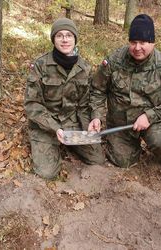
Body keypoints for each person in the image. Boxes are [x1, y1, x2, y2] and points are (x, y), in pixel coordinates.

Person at [88, 14, 161, 181]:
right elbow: (97, 90)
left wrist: (149, 116)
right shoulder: (115, 60)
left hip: (153, 122)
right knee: (122, 161)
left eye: (143, 42)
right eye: (133, 42)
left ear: (153, 42)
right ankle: (131, 146)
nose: (137, 47)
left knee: (160, 141)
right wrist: (96, 116)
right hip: (121, 124)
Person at [24, 18, 104, 179]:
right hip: (47, 126)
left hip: (71, 122)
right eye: (60, 35)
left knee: (97, 159)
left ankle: (68, 144)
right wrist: (55, 128)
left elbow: (86, 103)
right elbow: (32, 104)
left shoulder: (84, 67)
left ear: (75, 39)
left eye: (69, 35)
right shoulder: (40, 66)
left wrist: (93, 121)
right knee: (47, 173)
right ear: (53, 39)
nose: (65, 39)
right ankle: (48, 144)